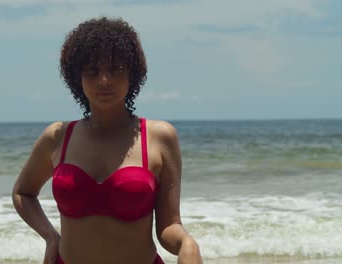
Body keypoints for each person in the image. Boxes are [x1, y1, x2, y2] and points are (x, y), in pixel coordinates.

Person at [12, 16, 203, 264]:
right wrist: (50, 236)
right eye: (92, 71)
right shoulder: (58, 136)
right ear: (77, 77)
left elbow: (168, 227)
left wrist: (187, 244)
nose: (104, 81)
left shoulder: (158, 136)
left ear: (132, 74)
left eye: (115, 70)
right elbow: (23, 193)